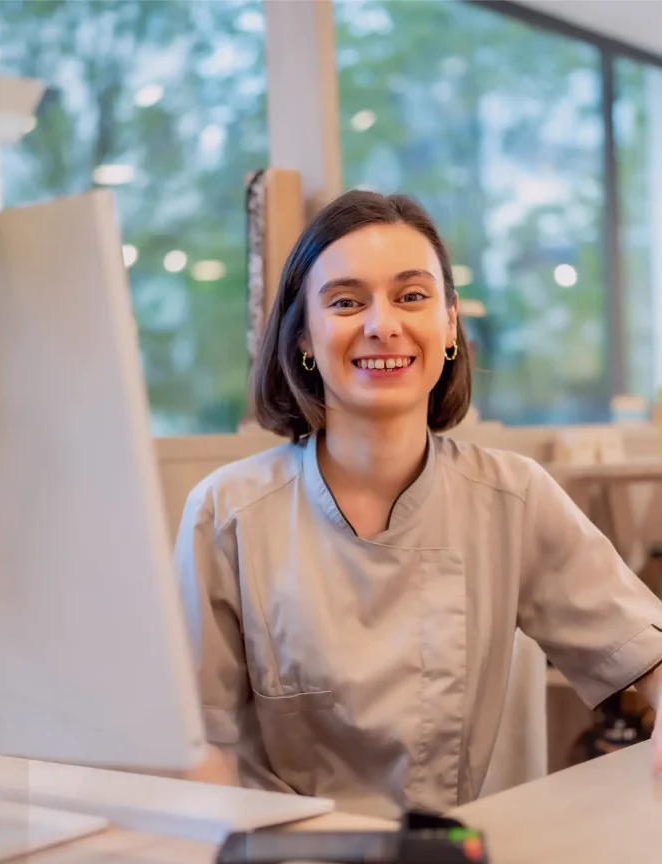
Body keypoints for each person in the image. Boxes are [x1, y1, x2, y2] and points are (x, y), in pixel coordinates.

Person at [175, 189, 662, 818]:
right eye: (346, 302)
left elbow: (646, 652)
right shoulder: (227, 512)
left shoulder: (513, 496)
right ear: (303, 337)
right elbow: (198, 744)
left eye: (411, 296)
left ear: (450, 323)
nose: (383, 324)